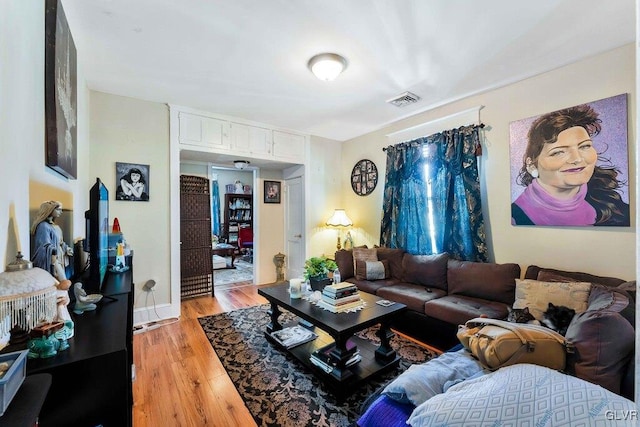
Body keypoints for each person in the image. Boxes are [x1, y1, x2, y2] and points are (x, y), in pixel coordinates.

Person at [511, 104, 629, 226]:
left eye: (584, 146)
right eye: (558, 152)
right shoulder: (515, 218)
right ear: (531, 165)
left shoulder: (612, 204)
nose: (577, 159)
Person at [31, 201, 74, 281]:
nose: (61, 212)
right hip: (52, 259)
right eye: (58, 209)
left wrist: (66, 248)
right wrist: (53, 254)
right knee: (57, 280)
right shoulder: (43, 226)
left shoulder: (55, 226)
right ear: (50, 210)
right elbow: (44, 245)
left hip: (59, 257)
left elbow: (60, 242)